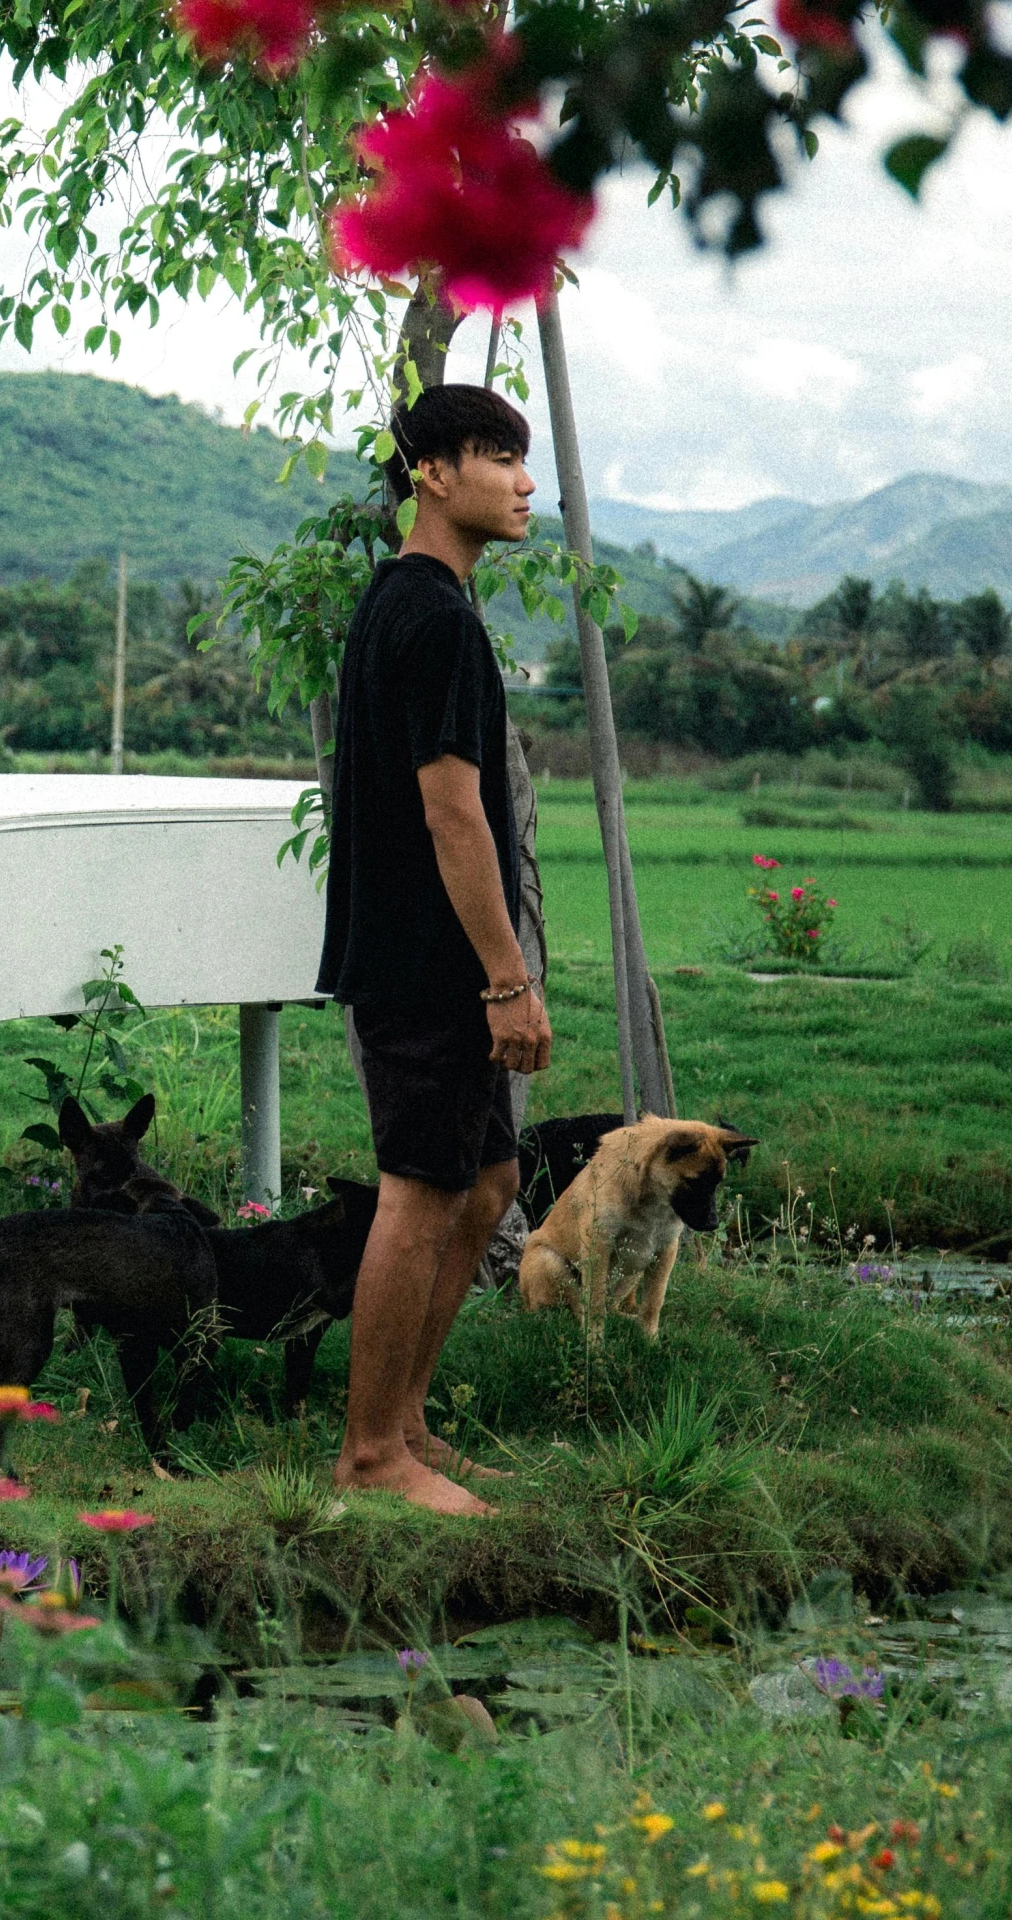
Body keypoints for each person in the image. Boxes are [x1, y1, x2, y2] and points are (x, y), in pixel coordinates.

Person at [316, 383, 553, 1516]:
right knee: (419, 1192)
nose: (523, 480)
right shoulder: (439, 621)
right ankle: (369, 1457)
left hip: (424, 954)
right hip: (430, 961)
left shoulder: (406, 604)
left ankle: (404, 1424)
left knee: (489, 1178)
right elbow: (453, 812)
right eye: (495, 455)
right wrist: (507, 980)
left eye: (521, 456)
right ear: (431, 474)